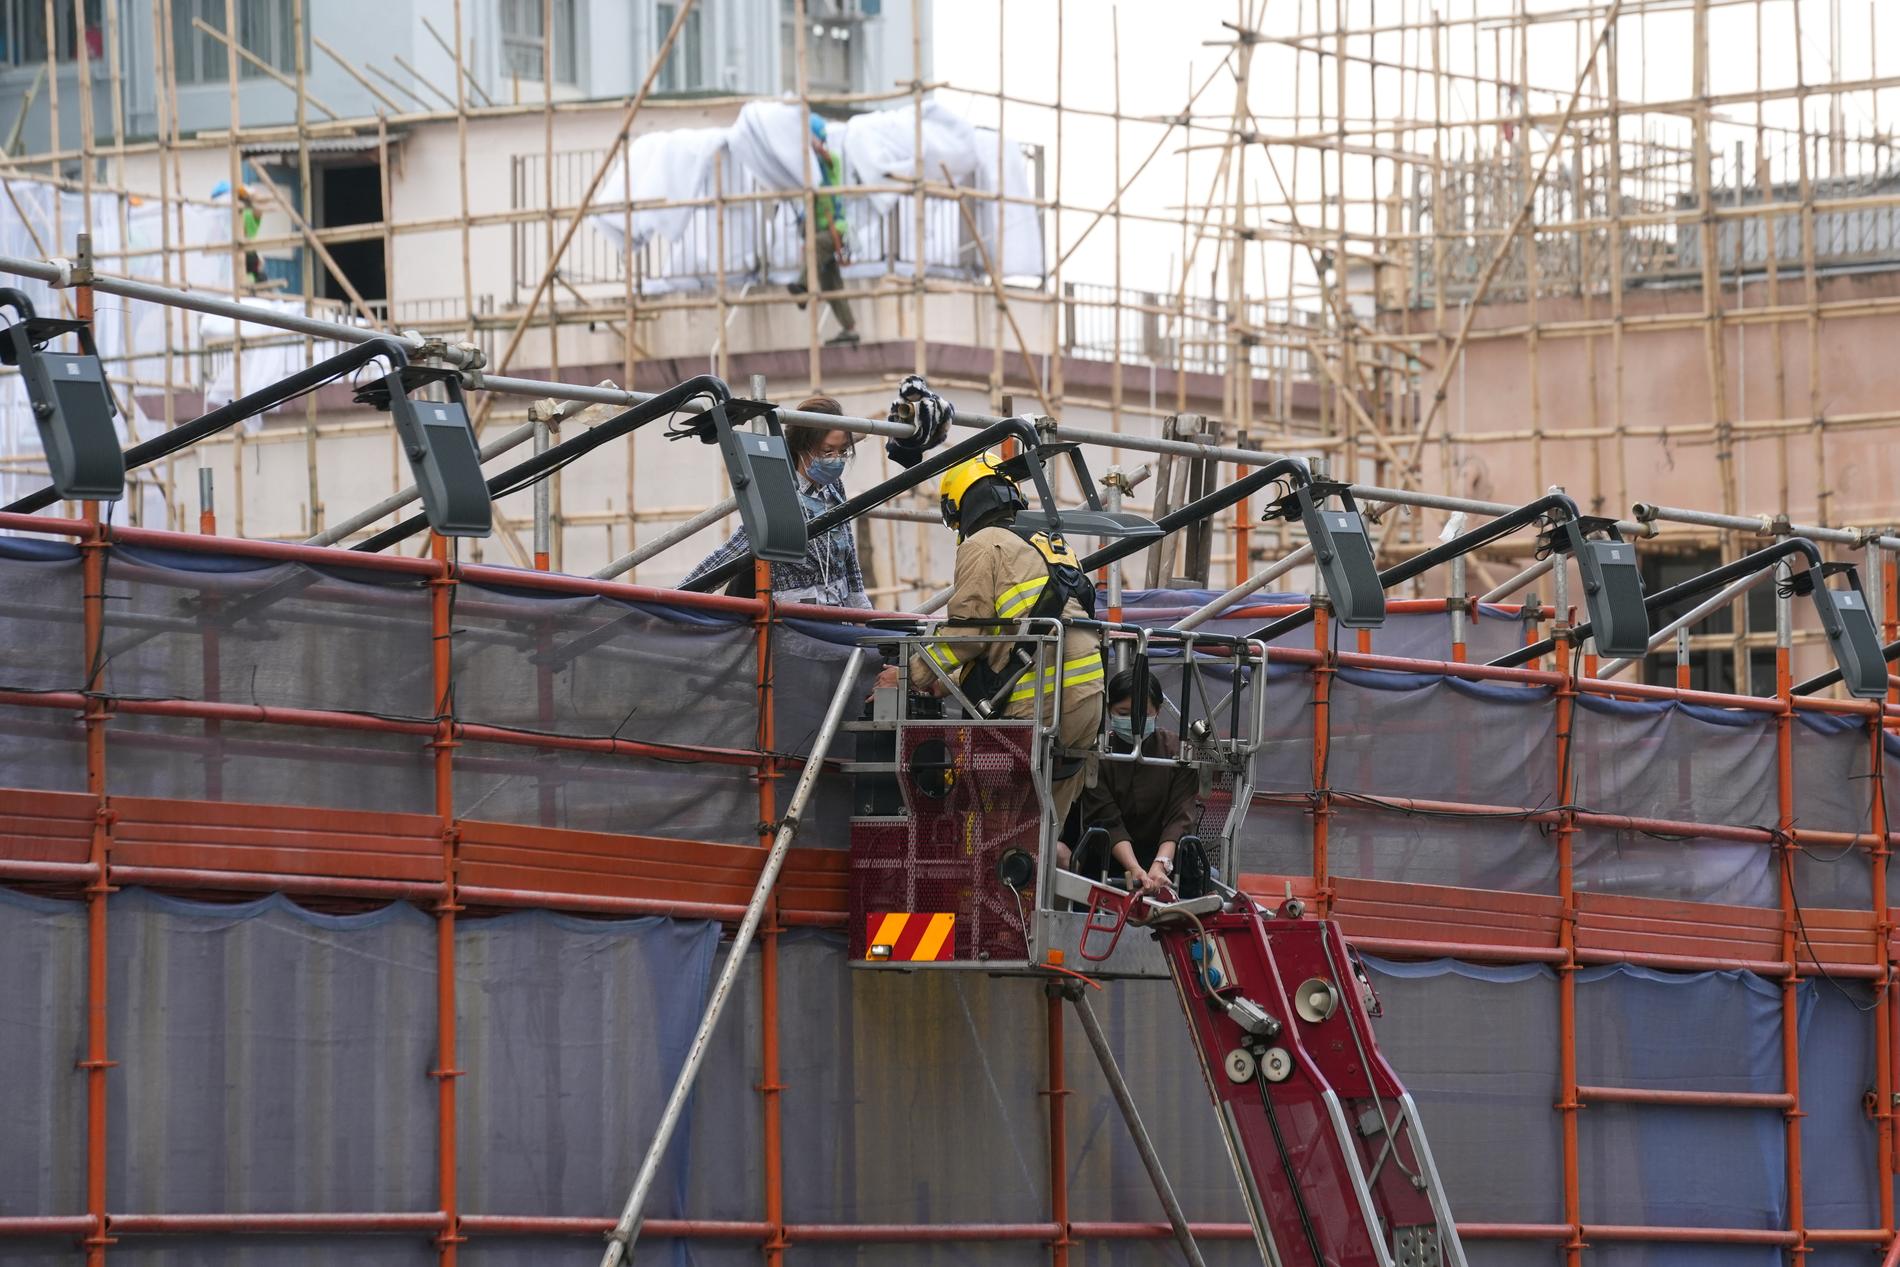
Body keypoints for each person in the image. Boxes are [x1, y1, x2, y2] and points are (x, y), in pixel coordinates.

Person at [882, 454, 1105, 822]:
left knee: (1002, 829)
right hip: (1087, 699)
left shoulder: (983, 545)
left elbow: (968, 635)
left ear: (962, 505)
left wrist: (911, 675)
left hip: (1039, 702)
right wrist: (950, 682)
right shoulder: (1052, 543)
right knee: (1046, 828)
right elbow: (1011, 637)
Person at [681, 395, 869, 608]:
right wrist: (676, 598)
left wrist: (863, 611)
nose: (836, 459)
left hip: (839, 613)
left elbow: (850, 560)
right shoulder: (780, 491)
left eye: (843, 451)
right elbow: (733, 552)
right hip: (794, 618)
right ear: (802, 447)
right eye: (827, 451)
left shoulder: (833, 488)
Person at [1075, 668, 1204, 896]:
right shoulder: (1097, 755)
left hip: (1169, 856)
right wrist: (1134, 868)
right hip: (1110, 859)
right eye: (1123, 713)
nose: (1133, 722)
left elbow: (1180, 817)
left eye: (1142, 714)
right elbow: (1106, 819)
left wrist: (1160, 864)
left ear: (1158, 711)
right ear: (1108, 711)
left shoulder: (1178, 753)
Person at [788, 116, 860, 347]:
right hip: (821, 229)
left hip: (834, 229)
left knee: (815, 245)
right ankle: (850, 328)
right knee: (831, 284)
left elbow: (826, 160)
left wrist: (815, 145)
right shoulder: (808, 169)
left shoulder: (831, 162)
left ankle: (803, 287)